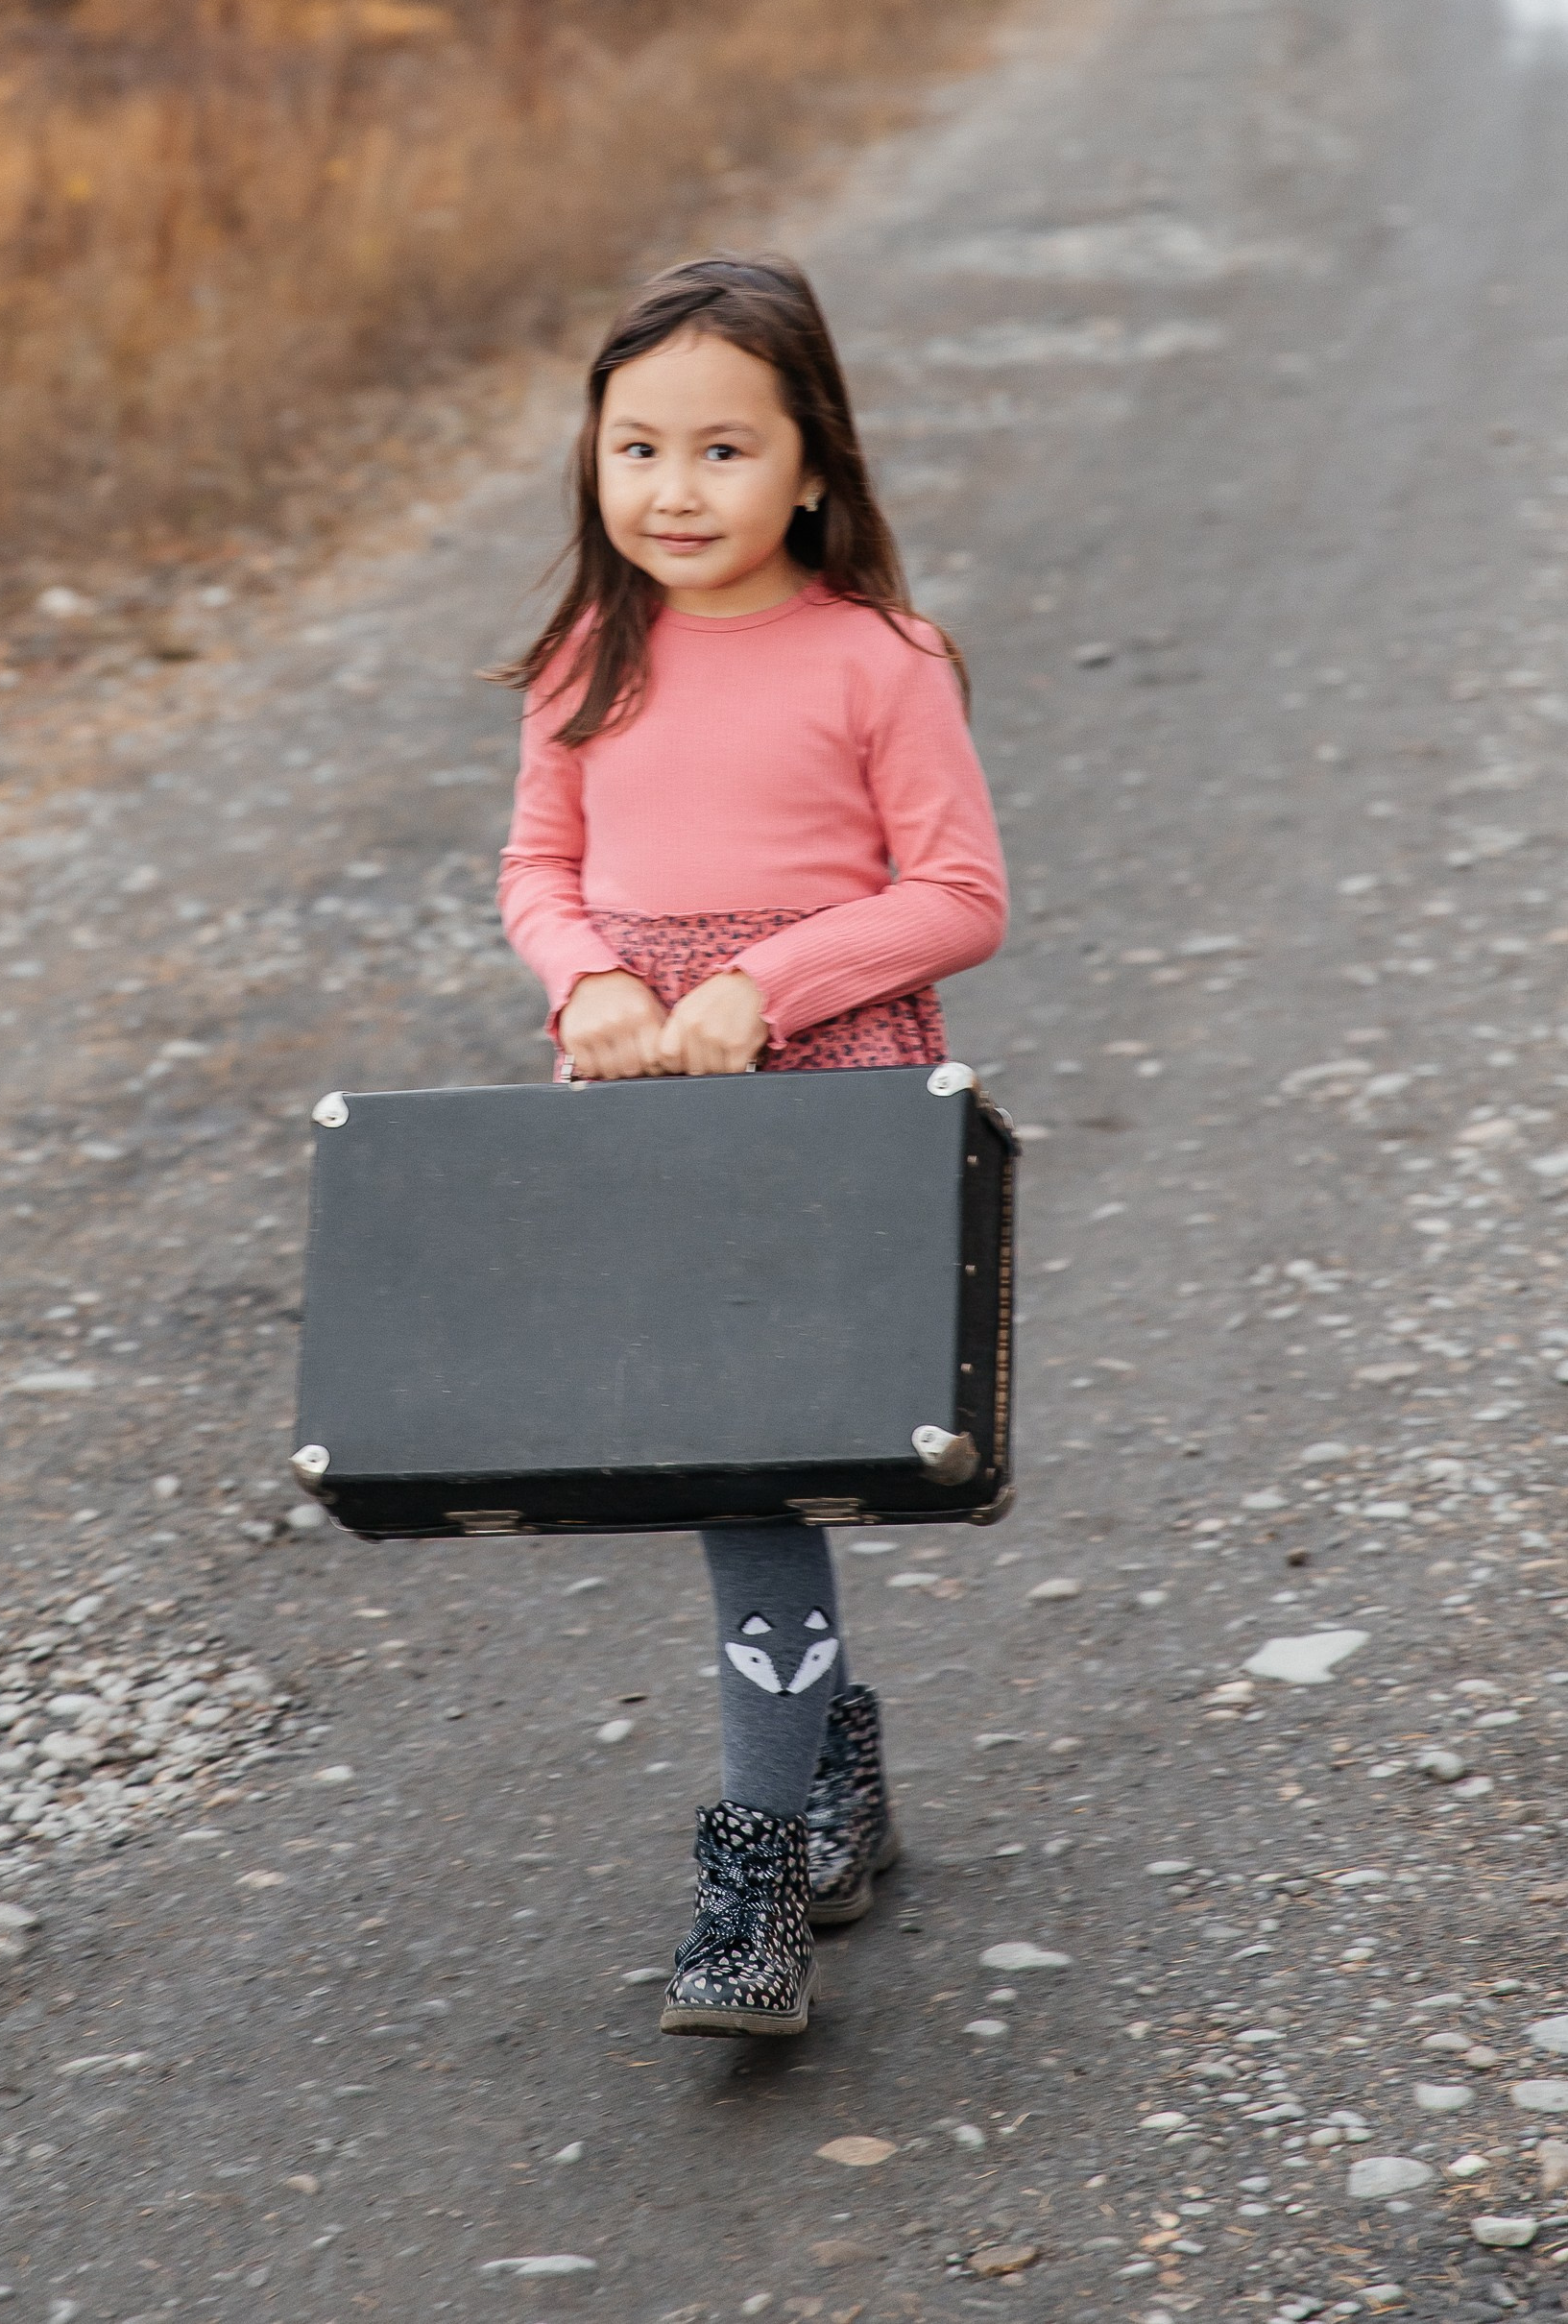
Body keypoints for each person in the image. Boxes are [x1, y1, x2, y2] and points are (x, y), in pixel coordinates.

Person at [497, 252, 1008, 2039]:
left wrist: (768, 988)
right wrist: (579, 989)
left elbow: (958, 896)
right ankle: (832, 1777)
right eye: (634, 449)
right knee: (728, 1463)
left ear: (810, 466)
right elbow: (538, 874)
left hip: (819, 1092)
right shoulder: (588, 655)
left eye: (722, 451)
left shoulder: (878, 658)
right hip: (639, 1098)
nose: (672, 491)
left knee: (757, 1476)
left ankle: (757, 1869)